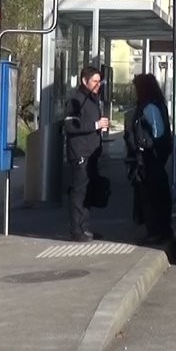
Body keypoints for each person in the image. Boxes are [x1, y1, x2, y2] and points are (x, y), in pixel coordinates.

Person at [125, 73, 173, 243]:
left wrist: (142, 146)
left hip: (149, 157)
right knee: (157, 194)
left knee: (150, 195)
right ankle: (162, 229)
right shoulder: (157, 104)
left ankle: (156, 231)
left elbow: (156, 133)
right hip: (155, 156)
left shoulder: (149, 107)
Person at [64, 65, 108, 242]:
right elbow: (70, 125)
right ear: (84, 81)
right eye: (95, 81)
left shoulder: (92, 99)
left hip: (91, 153)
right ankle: (76, 230)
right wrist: (95, 125)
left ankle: (85, 227)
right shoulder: (76, 100)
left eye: (99, 81)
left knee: (88, 191)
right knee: (79, 192)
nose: (98, 84)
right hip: (80, 153)